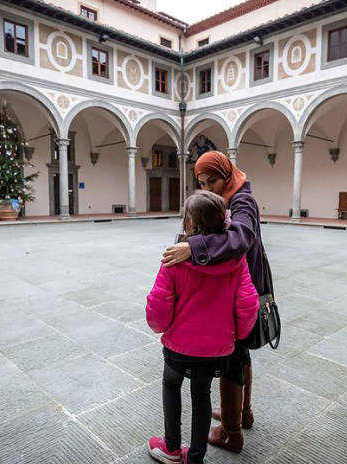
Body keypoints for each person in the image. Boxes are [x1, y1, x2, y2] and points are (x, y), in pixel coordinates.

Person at [162, 151, 267, 454]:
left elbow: (241, 238)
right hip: (240, 286)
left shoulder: (242, 200)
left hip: (242, 287)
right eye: (202, 184)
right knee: (241, 352)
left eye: (212, 181)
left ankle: (231, 432)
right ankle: (242, 413)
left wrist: (193, 246)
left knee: (234, 357)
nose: (208, 189)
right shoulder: (232, 195)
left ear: (226, 174)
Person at [146, 190, 259, 464]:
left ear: (188, 222)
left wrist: (160, 327)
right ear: (224, 222)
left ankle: (171, 448)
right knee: (202, 396)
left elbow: (158, 306)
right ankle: (195, 457)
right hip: (216, 351)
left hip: (177, 347)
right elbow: (248, 304)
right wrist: (238, 336)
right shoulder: (236, 260)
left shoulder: (175, 258)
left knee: (171, 386)